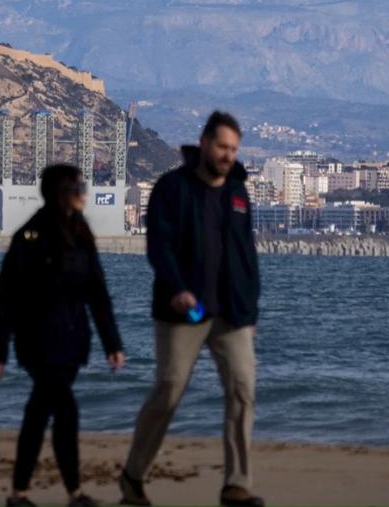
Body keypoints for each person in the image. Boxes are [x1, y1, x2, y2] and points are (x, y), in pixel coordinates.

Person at [118, 111, 264, 507]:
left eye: (233, 149)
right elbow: (159, 247)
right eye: (221, 147)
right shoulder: (172, 188)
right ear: (203, 142)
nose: (227, 156)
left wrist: (250, 313)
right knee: (168, 391)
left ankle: (237, 484)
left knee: (242, 391)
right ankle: (133, 476)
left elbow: (246, 254)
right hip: (183, 310)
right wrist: (178, 289)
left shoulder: (238, 193)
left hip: (231, 314)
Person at [0, 163, 127, 507]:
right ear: (60, 192)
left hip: (72, 342)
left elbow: (98, 293)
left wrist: (113, 344)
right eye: (77, 188)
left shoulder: (81, 233)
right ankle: (74, 493)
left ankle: (19, 493)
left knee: (38, 412)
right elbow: (6, 295)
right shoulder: (30, 236)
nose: (83, 194)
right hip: (37, 341)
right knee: (66, 412)